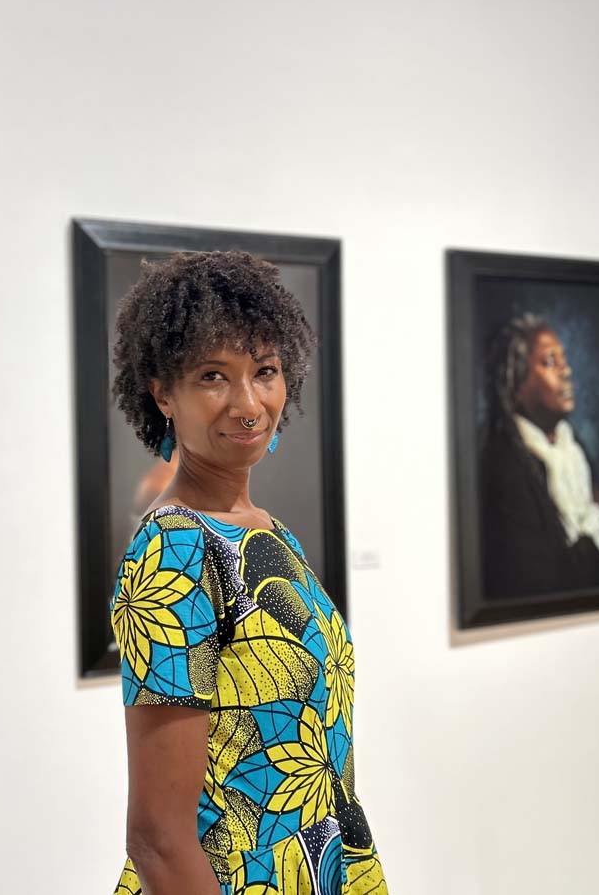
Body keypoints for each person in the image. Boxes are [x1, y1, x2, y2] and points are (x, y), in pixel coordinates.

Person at [108, 251, 388, 895]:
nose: (247, 403)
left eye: (265, 372)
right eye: (213, 376)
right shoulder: (174, 548)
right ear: (162, 394)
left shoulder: (264, 528)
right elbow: (157, 835)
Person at [479, 313, 599, 598]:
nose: (566, 371)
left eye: (564, 360)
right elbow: (538, 575)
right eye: (549, 362)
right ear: (517, 385)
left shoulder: (573, 449)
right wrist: (591, 544)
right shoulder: (502, 460)